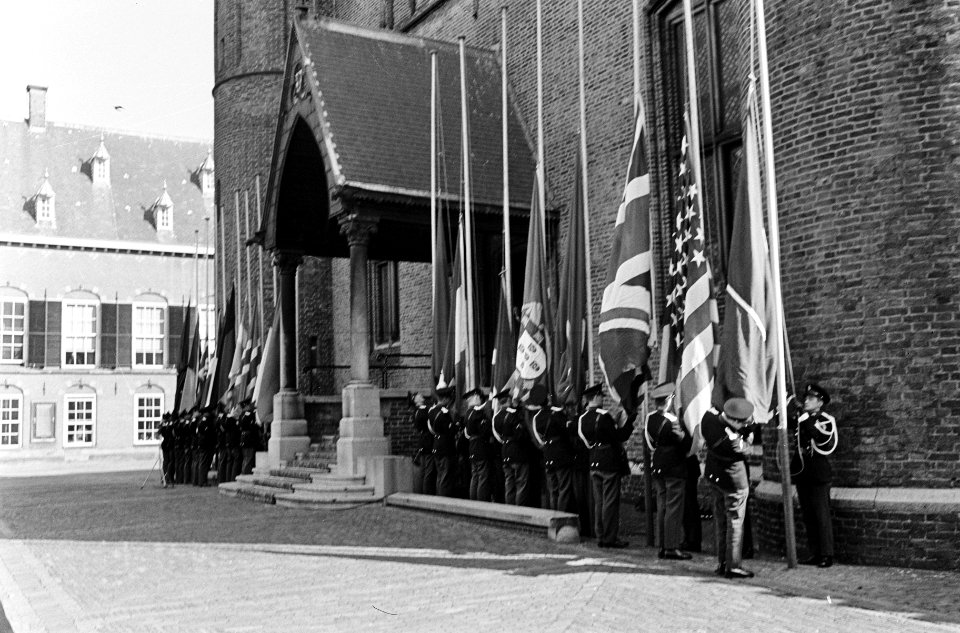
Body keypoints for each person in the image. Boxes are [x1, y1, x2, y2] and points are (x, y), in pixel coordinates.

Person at [702, 397, 754, 579]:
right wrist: (749, 436)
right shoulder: (732, 440)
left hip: (715, 477)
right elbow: (747, 448)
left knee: (720, 520)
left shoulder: (708, 418)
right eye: (742, 422)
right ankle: (733, 565)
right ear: (734, 420)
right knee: (734, 522)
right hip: (733, 483)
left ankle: (722, 562)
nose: (745, 424)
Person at [578, 383, 634, 549]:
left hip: (594, 460)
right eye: (601, 395)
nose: (603, 397)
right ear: (595, 397)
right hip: (608, 462)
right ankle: (610, 537)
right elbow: (619, 436)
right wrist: (630, 421)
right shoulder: (603, 416)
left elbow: (586, 441)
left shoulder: (582, 418)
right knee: (610, 501)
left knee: (599, 501)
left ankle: (600, 534)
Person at [789, 383, 837, 568]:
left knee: (821, 515)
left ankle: (827, 554)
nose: (806, 401)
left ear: (820, 403)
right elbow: (786, 425)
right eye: (806, 398)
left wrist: (805, 418)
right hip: (803, 471)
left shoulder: (825, 420)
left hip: (818, 472)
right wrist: (784, 409)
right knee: (808, 515)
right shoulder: (802, 418)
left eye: (811, 398)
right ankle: (815, 552)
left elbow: (823, 441)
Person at [645, 382, 692, 560]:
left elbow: (650, 443)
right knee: (673, 508)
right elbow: (686, 444)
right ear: (670, 399)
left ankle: (662, 545)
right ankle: (671, 546)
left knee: (663, 506)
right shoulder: (672, 421)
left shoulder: (650, 418)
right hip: (674, 467)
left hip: (658, 464)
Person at [533, 395, 577, 513]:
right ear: (547, 400)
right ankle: (561, 516)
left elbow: (539, 439)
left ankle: (554, 514)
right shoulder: (557, 414)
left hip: (548, 455)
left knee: (553, 489)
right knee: (564, 488)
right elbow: (567, 431)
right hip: (561, 454)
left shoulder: (536, 418)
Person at [492, 388, 532, 506]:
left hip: (505, 451)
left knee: (509, 484)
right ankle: (519, 510)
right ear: (509, 399)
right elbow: (521, 435)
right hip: (518, 452)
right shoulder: (514, 415)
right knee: (521, 484)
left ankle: (510, 510)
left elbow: (499, 434)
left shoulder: (497, 417)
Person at [462, 388, 493, 501]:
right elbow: (485, 431)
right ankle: (481, 501)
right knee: (482, 477)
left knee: (475, 476)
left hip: (472, 446)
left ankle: (473, 499)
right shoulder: (478, 414)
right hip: (480, 447)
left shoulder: (468, 413)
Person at [429, 387, 458, 497]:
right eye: (449, 399)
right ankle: (444, 499)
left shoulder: (432, 411)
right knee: (446, 476)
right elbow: (450, 430)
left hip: (436, 444)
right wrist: (456, 425)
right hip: (446, 446)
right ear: (445, 399)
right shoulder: (444, 413)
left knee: (440, 476)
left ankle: (439, 498)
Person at [410, 392, 436, 495]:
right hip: (428, 440)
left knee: (424, 470)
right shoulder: (424, 410)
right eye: (418, 396)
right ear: (415, 401)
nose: (421, 396)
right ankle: (427, 493)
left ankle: (423, 491)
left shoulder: (417, 412)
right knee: (428, 470)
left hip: (423, 441)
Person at [238, 401, 259, 476]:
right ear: (246, 405)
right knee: (248, 458)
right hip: (248, 438)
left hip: (244, 438)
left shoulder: (242, 415)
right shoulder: (249, 414)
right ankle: (245, 473)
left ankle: (244, 472)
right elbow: (252, 426)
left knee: (246, 458)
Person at [158, 412, 176, 488]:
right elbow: (174, 434)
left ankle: (164, 478)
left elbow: (158, 434)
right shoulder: (171, 425)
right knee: (170, 462)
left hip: (165, 444)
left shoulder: (162, 425)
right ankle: (168, 478)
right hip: (170, 445)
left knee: (166, 462)